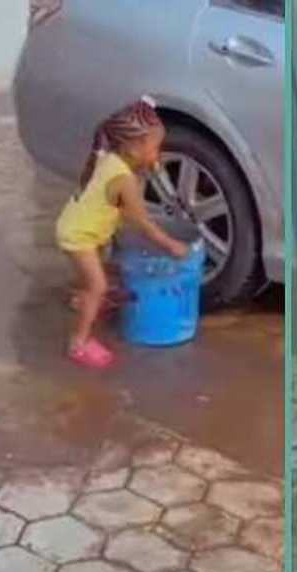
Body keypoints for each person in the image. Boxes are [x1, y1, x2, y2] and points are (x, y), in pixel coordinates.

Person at [56, 96, 189, 368]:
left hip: (79, 224)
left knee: (102, 273)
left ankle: (82, 299)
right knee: (99, 285)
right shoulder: (124, 181)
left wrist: (148, 163)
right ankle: (78, 343)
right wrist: (170, 244)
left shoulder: (110, 157)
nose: (158, 154)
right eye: (156, 148)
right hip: (79, 236)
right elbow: (142, 223)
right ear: (135, 148)